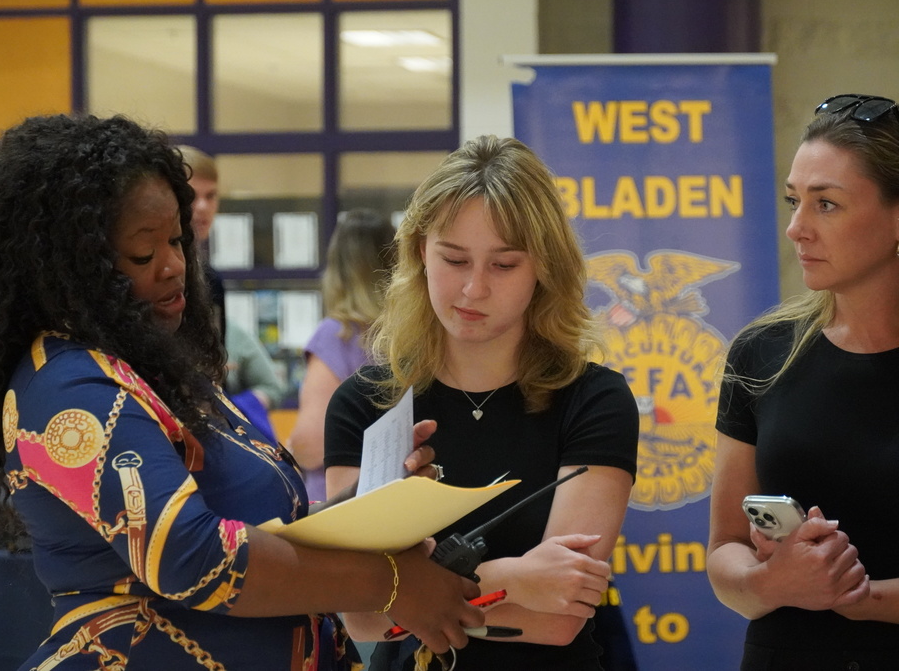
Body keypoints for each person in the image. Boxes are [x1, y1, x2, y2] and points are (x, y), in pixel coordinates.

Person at [0, 113, 485, 670]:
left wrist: (371, 504)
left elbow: (256, 525)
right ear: (69, 265)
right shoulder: (68, 383)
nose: (173, 267)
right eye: (143, 253)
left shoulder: (156, 371)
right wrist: (391, 584)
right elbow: (191, 556)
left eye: (179, 242)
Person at [324, 135, 639, 670]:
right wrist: (512, 579)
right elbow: (364, 617)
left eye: (503, 265)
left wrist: (415, 592)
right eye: (454, 259)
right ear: (420, 251)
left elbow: (559, 615)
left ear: (543, 269)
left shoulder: (595, 401)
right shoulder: (366, 403)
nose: (472, 289)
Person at [707, 94, 899, 669]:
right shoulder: (761, 353)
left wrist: (864, 599)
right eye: (794, 201)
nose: (796, 228)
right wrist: (773, 584)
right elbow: (724, 552)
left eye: (827, 205)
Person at [178, 144, 286, 439]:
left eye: (210, 196)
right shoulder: (148, 274)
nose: (202, 207)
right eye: (191, 195)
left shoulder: (210, 281)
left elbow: (214, 371)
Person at [288, 208, 396, 501]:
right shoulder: (410, 335)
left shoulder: (337, 335)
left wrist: (289, 448)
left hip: (338, 503)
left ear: (337, 268)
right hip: (394, 499)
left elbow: (311, 445)